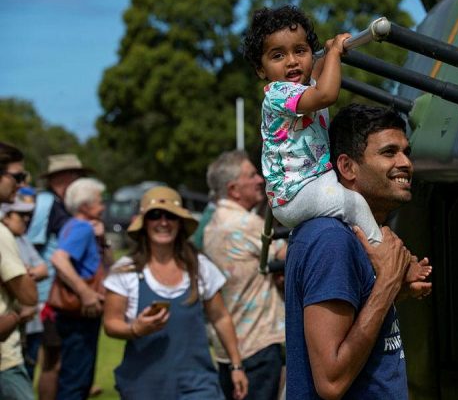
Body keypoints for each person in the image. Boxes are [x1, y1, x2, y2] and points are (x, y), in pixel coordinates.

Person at [241, 5, 430, 289]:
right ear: (260, 69)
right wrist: (333, 54)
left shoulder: (304, 88)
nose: (292, 62)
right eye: (278, 55)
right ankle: (388, 265)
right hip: (294, 193)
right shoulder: (280, 95)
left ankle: (394, 260)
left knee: (358, 201)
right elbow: (328, 93)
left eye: (300, 51)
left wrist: (327, 51)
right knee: (353, 203)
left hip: (313, 183)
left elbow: (316, 76)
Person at [284, 104, 432, 398]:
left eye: (406, 152)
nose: (405, 163)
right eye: (389, 152)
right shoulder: (330, 241)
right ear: (347, 167)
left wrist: (397, 288)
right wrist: (388, 283)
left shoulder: (357, 236)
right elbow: (331, 381)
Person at [103, 186, 248, 400]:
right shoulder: (126, 271)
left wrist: (236, 365)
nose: (163, 222)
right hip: (143, 387)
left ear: (180, 223)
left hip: (197, 385)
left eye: (171, 215)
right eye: (155, 215)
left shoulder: (199, 267)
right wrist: (135, 329)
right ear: (144, 224)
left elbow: (220, 317)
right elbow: (111, 323)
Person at [203, 150, 286, 400]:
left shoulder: (211, 226)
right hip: (257, 345)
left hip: (228, 347)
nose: (260, 179)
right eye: (252, 175)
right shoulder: (245, 224)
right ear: (233, 189)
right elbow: (285, 255)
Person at [25, 153, 91, 400]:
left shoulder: (61, 206)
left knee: (55, 359)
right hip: (44, 297)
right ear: (57, 179)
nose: (73, 181)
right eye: (72, 176)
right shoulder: (46, 205)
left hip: (54, 297)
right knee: (50, 361)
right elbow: (29, 247)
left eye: (76, 176)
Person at [48, 177, 107, 400]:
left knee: (75, 376)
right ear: (85, 205)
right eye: (99, 201)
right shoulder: (82, 228)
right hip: (79, 315)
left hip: (72, 315)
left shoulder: (72, 226)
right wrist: (85, 292)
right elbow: (59, 258)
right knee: (77, 380)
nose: (103, 206)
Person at [0, 142, 38, 400]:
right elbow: (29, 297)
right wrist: (17, 313)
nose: (22, 183)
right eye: (17, 176)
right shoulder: (0, 233)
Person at [0, 196, 48, 378]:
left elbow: (43, 269)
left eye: (29, 214)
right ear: (6, 216)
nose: (26, 219)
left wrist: (21, 276)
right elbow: (28, 296)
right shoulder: (3, 236)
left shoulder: (23, 240)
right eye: (21, 214)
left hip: (25, 324)